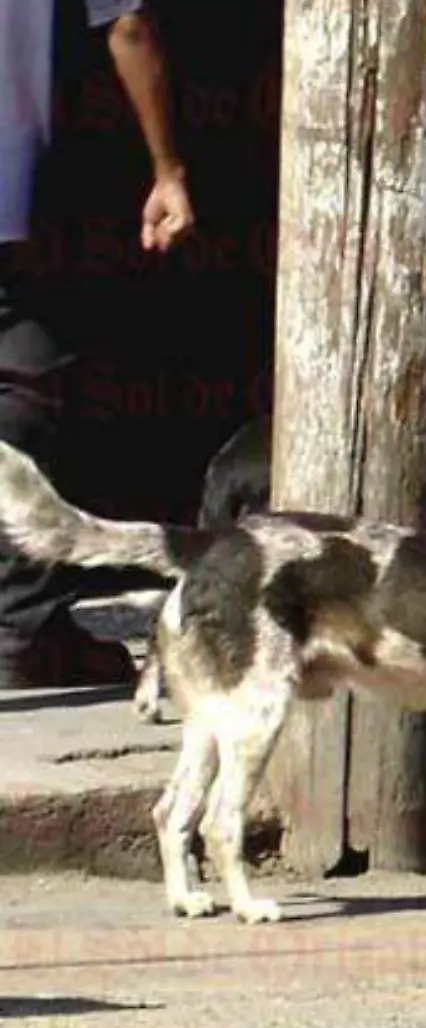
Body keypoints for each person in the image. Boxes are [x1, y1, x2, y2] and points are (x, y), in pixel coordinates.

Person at [0, 0, 194, 689]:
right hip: (17, 190)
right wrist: (168, 168)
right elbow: (128, 25)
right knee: (26, 387)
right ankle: (20, 630)